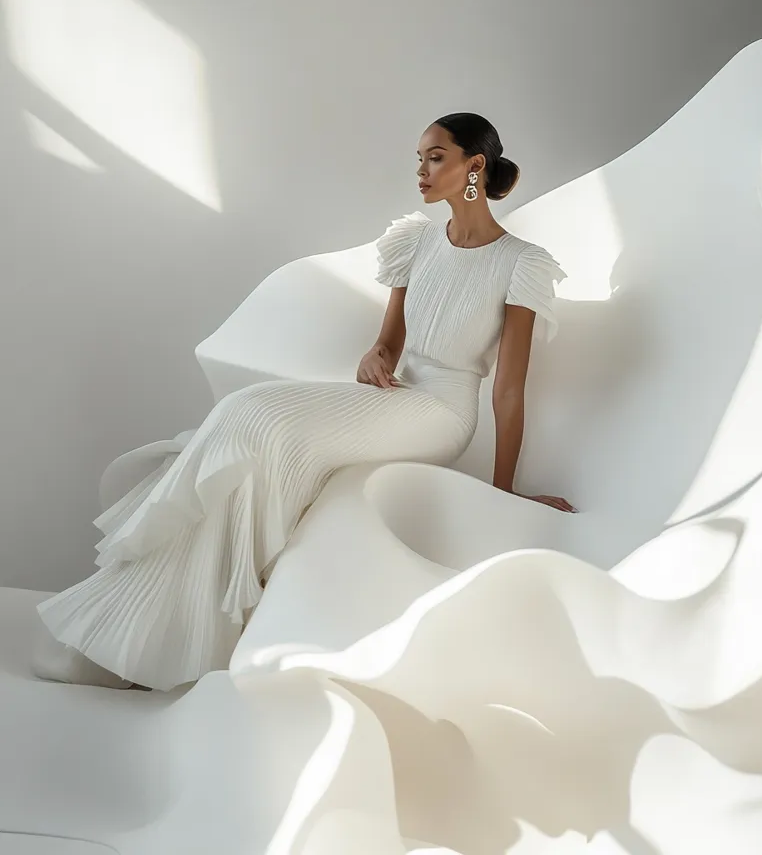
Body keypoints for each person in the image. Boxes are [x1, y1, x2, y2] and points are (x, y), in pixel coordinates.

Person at [36, 112, 573, 691]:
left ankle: (163, 636)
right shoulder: (416, 241)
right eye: (418, 157)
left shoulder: (521, 263)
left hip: (441, 412)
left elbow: (509, 388)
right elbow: (387, 345)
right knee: (248, 412)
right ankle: (140, 626)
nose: (421, 169)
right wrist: (374, 358)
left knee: (266, 423)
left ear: (474, 166)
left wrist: (502, 493)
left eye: (435, 157)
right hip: (395, 397)